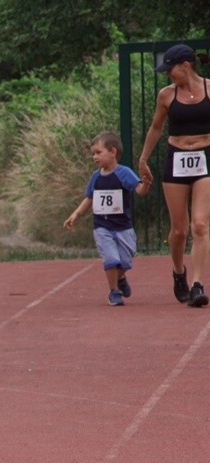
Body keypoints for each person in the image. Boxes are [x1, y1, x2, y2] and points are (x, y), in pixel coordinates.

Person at [137, 43, 210, 307]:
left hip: (205, 159)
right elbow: (156, 128)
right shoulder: (166, 95)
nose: (168, 74)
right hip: (177, 159)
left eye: (171, 70)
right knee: (179, 231)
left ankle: (198, 285)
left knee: (200, 225)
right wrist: (143, 159)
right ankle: (179, 273)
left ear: (186, 66)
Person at [63, 131, 151, 306]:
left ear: (112, 152)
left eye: (98, 152)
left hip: (123, 226)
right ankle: (114, 292)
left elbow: (139, 191)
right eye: (93, 154)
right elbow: (89, 198)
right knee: (111, 259)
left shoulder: (124, 173)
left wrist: (146, 182)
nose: (95, 157)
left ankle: (121, 277)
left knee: (125, 260)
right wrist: (76, 214)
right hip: (102, 226)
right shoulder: (95, 177)